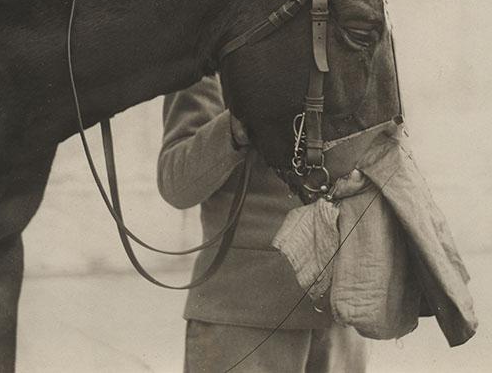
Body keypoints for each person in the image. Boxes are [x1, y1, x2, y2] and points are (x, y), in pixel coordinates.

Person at [158, 75, 368, 372]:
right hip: (244, 317)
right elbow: (177, 183)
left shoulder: (349, 53)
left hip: (340, 311)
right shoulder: (209, 62)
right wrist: (238, 123)